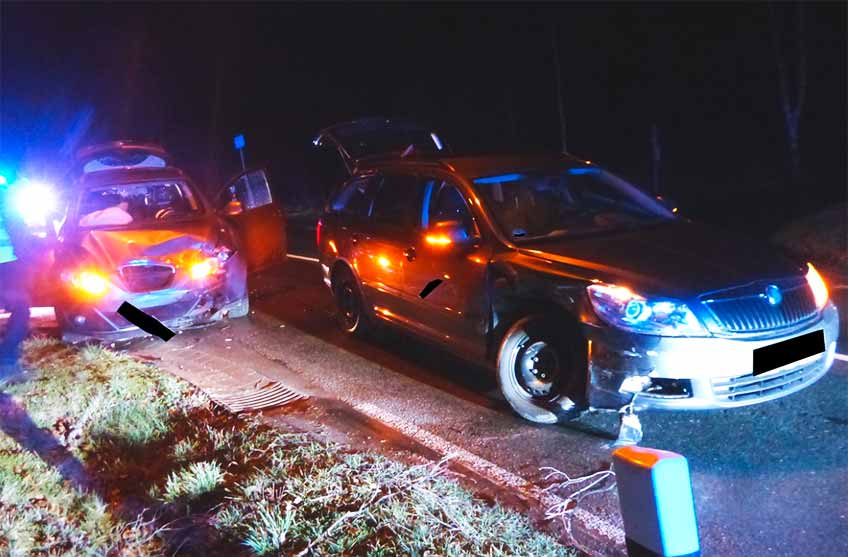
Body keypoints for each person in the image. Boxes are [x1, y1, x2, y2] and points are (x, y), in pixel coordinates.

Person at [0, 181, 32, 382]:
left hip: (8, 263)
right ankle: (8, 359)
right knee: (21, 308)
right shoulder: (5, 198)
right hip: (6, 263)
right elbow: (19, 228)